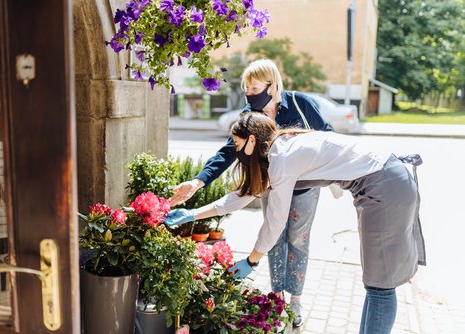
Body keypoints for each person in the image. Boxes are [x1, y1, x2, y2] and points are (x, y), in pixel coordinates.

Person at [165, 112, 426, 334]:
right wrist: (193, 214)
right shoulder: (281, 149)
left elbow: (275, 220)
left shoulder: (282, 159)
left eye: (236, 143)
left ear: (252, 140)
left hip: (385, 186)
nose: (235, 150)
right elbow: (242, 196)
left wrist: (252, 260)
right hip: (382, 183)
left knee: (381, 286)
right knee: (375, 284)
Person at [169, 59, 332, 327]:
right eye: (246, 87)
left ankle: (296, 299)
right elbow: (228, 152)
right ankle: (277, 297)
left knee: (298, 240)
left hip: (305, 188)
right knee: (274, 236)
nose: (249, 93)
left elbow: (326, 137)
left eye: (255, 87)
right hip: (270, 184)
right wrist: (198, 182)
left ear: (273, 85)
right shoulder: (250, 115)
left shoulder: (300, 104)